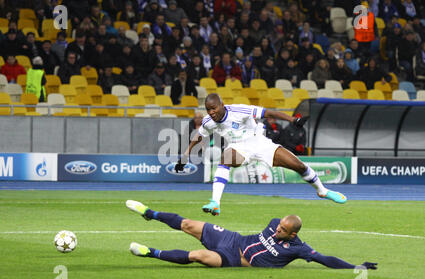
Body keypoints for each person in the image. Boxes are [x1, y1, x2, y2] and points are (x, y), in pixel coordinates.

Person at [175, 93, 347, 216]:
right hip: (238, 147)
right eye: (208, 109)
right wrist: (186, 154)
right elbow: (199, 136)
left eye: (213, 108)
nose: (211, 112)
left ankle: (322, 191)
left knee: (299, 166)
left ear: (221, 105)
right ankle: (215, 203)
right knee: (225, 158)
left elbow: (269, 113)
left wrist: (293, 120)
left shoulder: (239, 111)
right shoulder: (208, 121)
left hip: (260, 143)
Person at [125, 200, 377, 270]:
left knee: (199, 256)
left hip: (233, 260)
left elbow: (324, 259)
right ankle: (150, 212)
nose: (277, 229)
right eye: (278, 225)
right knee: (189, 224)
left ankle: (150, 253)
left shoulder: (299, 249)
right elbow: (272, 226)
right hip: (232, 240)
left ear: (292, 235)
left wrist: (356, 266)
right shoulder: (272, 223)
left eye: (282, 230)